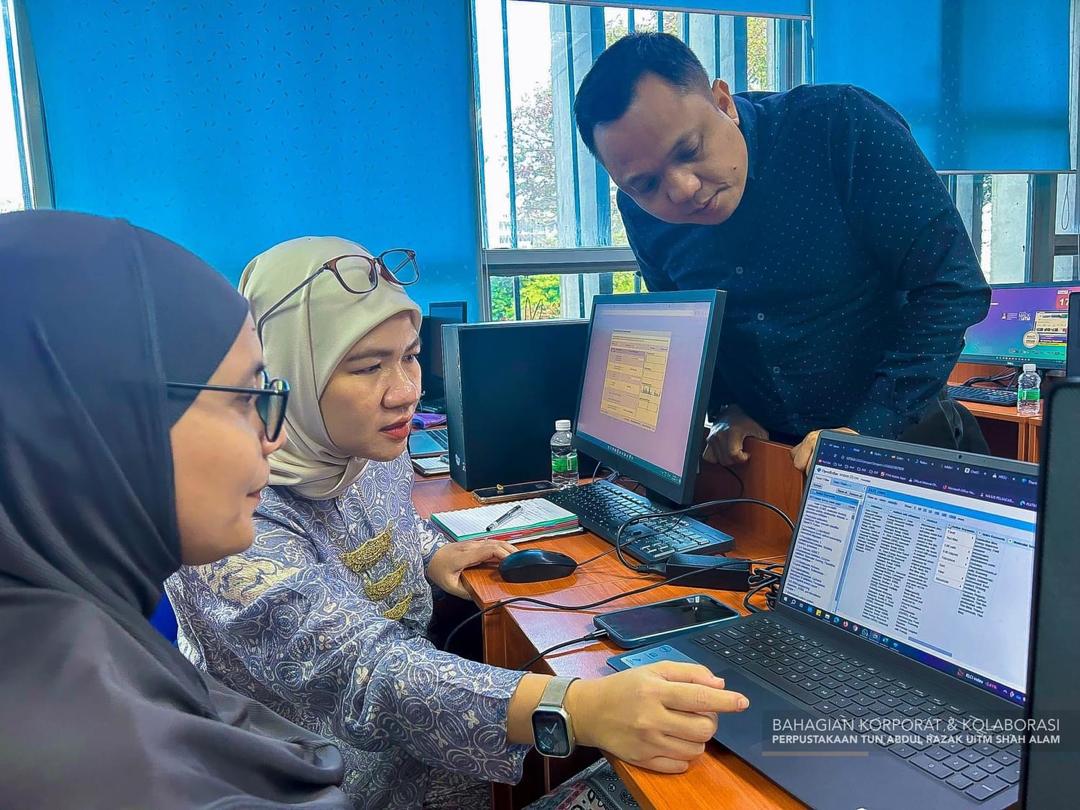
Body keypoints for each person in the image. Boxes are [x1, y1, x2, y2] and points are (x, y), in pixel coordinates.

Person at [166, 236, 750, 809]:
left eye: (410, 356)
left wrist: (428, 555)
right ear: (285, 370)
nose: (405, 392)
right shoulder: (229, 513)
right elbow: (368, 671)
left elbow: (381, 528)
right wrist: (581, 707)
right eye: (368, 367)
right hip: (328, 784)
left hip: (420, 755)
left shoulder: (362, 449)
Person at [0, 210, 350, 808]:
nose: (274, 438)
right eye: (245, 396)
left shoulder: (69, 628)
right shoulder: (120, 773)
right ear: (102, 423)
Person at [573, 33, 991, 471]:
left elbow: (952, 286)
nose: (683, 190)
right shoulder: (640, 213)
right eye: (647, 184)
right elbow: (691, 325)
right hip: (768, 459)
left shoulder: (839, 126)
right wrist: (728, 406)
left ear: (723, 103)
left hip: (903, 435)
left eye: (690, 150)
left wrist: (867, 430)